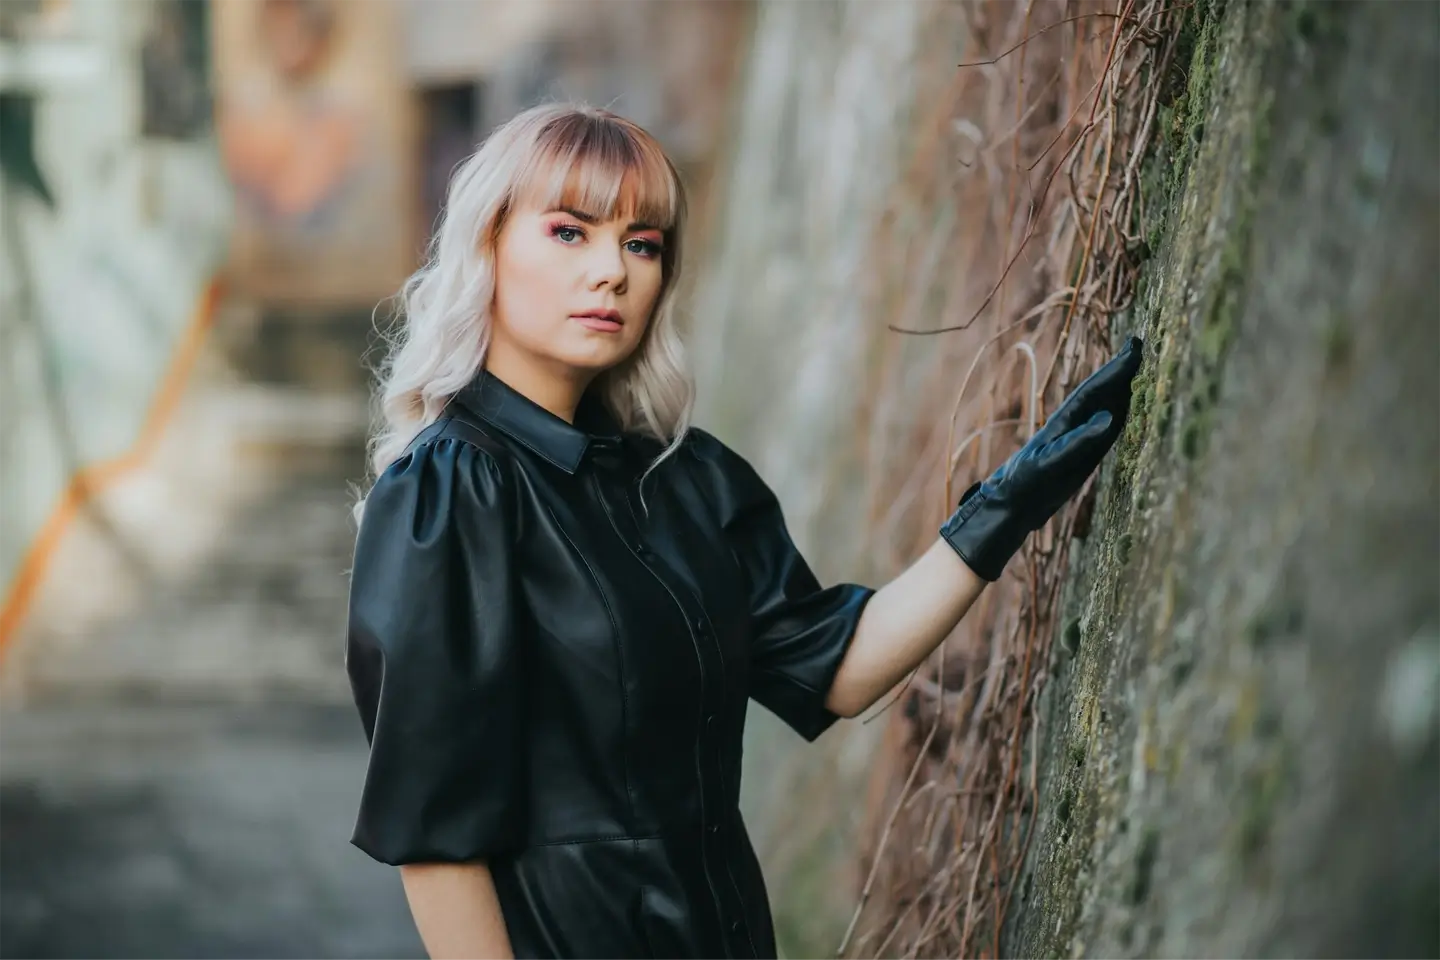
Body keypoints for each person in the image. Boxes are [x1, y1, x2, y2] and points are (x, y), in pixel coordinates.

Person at [345, 102, 1143, 960]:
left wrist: (1003, 511)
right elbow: (436, 841)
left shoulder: (683, 480)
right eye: (571, 232)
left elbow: (833, 668)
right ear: (489, 245)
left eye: (642, 243)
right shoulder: (448, 493)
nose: (612, 271)